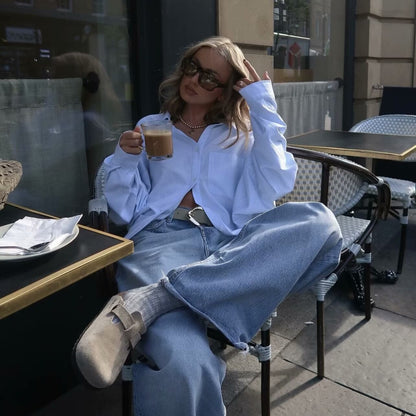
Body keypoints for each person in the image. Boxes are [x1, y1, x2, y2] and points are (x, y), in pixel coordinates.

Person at [74, 36, 342, 416]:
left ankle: (151, 301)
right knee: (185, 361)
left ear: (225, 90)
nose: (195, 80)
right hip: (161, 242)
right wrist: (124, 161)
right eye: (192, 68)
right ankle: (194, 300)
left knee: (322, 222)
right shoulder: (152, 126)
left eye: (210, 78)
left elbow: (279, 180)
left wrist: (261, 103)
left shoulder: (241, 135)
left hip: (231, 245)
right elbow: (123, 212)